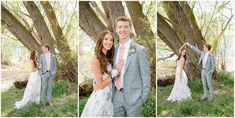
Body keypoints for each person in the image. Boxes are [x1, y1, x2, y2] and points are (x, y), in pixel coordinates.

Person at [94, 16, 151, 117]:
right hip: (115, 96)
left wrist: (142, 98)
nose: (122, 30)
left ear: (130, 29)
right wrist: (95, 81)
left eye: (126, 27)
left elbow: (146, 76)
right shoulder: (112, 51)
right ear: (116, 29)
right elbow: (103, 69)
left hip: (134, 98)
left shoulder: (140, 50)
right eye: (120, 27)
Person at [81, 30, 118, 117]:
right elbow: (101, 85)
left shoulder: (109, 57)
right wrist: (113, 74)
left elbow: (101, 76)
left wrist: (95, 80)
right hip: (101, 96)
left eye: (111, 40)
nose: (109, 42)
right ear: (100, 40)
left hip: (110, 95)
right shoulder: (96, 58)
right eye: (106, 39)